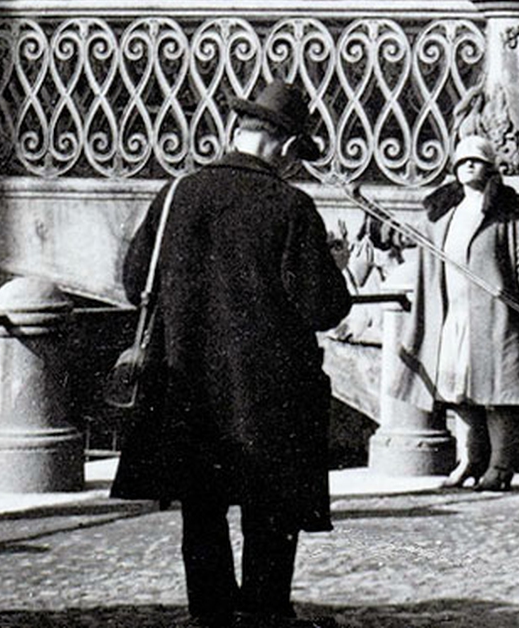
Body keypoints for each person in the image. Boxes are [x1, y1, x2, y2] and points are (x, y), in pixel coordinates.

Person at [110, 79, 353, 628]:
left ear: (238, 131)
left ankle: (211, 614)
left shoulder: (175, 195)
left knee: (202, 508)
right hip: (267, 395)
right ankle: (264, 612)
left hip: (187, 387)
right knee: (270, 510)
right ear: (288, 148)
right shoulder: (291, 206)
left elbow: (133, 284)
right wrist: (331, 265)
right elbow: (323, 308)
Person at [390, 135, 519, 492]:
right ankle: (472, 458)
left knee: (497, 396)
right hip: (453, 316)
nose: (469, 164)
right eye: (462, 159)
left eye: (477, 160)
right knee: (459, 393)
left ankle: (501, 465)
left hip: (494, 319)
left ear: (491, 168)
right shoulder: (441, 216)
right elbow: (409, 240)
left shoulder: (507, 216)